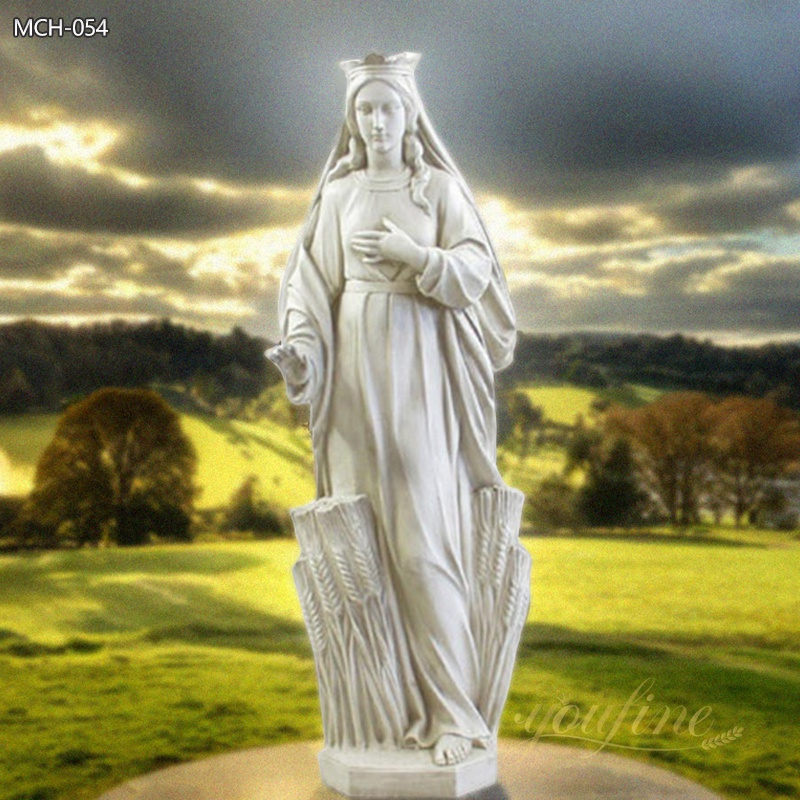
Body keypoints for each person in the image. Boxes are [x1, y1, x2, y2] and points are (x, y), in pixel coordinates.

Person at [269, 52, 516, 767]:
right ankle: (380, 715)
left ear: (410, 116)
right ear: (353, 121)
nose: (377, 121)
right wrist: (302, 354)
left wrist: (417, 256)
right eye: (365, 109)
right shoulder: (340, 197)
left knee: (423, 539)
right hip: (351, 380)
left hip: (417, 374)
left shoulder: (436, 189)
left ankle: (454, 717)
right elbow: (309, 289)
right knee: (360, 537)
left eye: (388, 108)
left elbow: (477, 270)